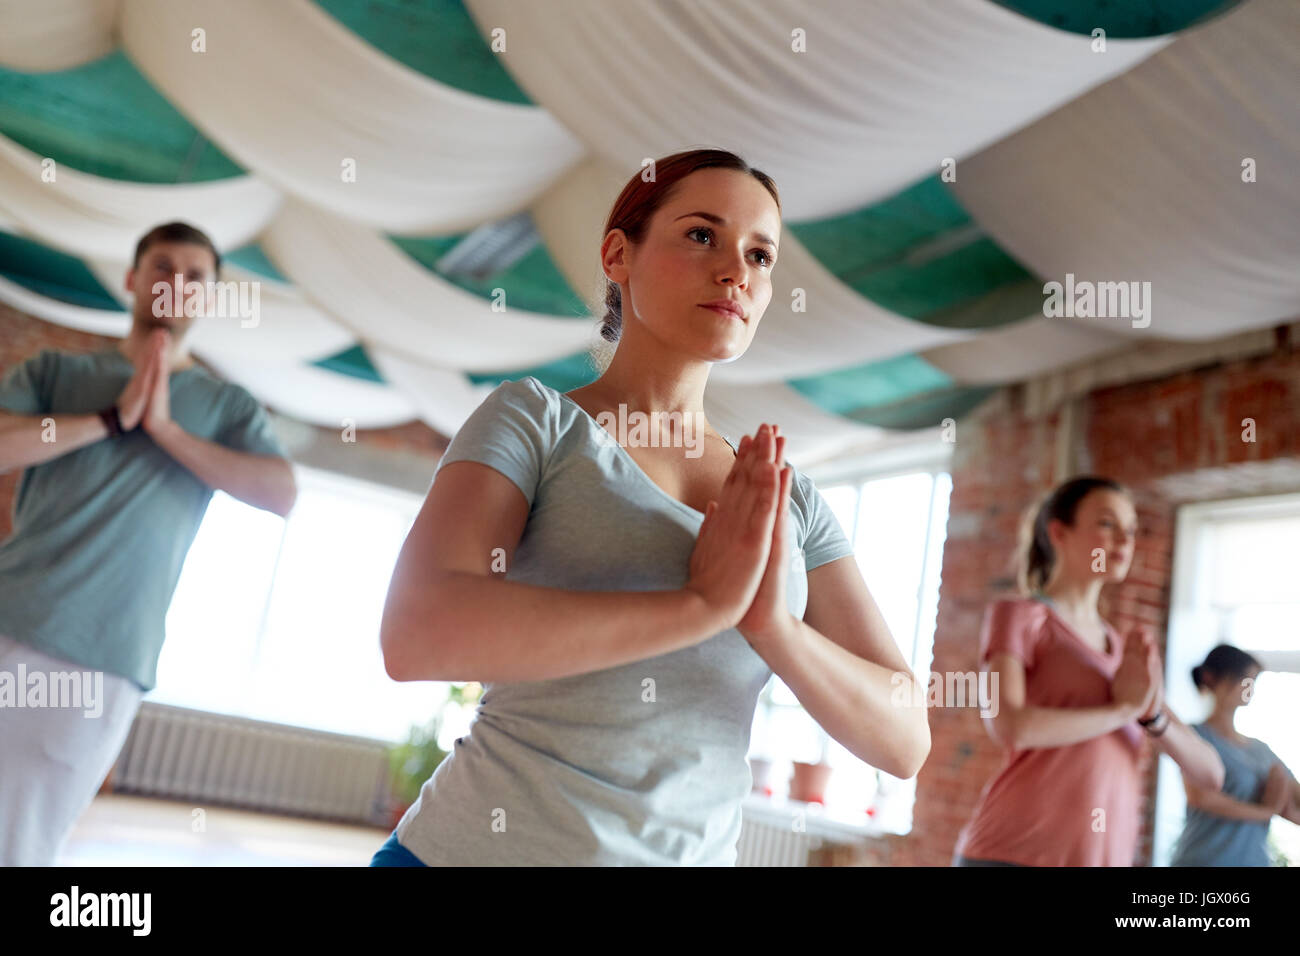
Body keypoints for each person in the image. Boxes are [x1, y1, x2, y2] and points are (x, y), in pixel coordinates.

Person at [372, 148, 930, 866]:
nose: (736, 270)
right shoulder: (534, 422)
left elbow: (906, 741)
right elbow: (416, 633)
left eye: (760, 256)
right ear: (618, 254)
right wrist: (701, 606)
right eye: (702, 235)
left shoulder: (789, 499)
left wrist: (773, 626)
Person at [0, 221, 297, 865]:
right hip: (9, 614)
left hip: (104, 657)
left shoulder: (228, 408)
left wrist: (164, 430)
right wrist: (108, 421)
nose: (176, 284)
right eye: (163, 267)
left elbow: (281, 495)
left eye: (195, 277)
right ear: (133, 279)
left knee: (22, 846)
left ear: (209, 299)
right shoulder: (57, 371)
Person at [951, 476, 1224, 866]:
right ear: (1059, 532)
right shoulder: (1019, 616)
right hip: (1009, 854)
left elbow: (1211, 774)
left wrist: (1152, 715)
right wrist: (1122, 711)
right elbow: (1009, 724)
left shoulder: (1121, 652)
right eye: (1107, 524)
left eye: (1131, 530)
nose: (1125, 541)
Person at [1169, 645, 1300, 865]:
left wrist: (1280, 806)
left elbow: (1293, 797)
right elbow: (1201, 797)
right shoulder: (1195, 736)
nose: (1250, 688)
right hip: (1203, 860)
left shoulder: (1261, 750)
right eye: (1245, 680)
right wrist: (1265, 811)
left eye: (1254, 682)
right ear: (1214, 678)